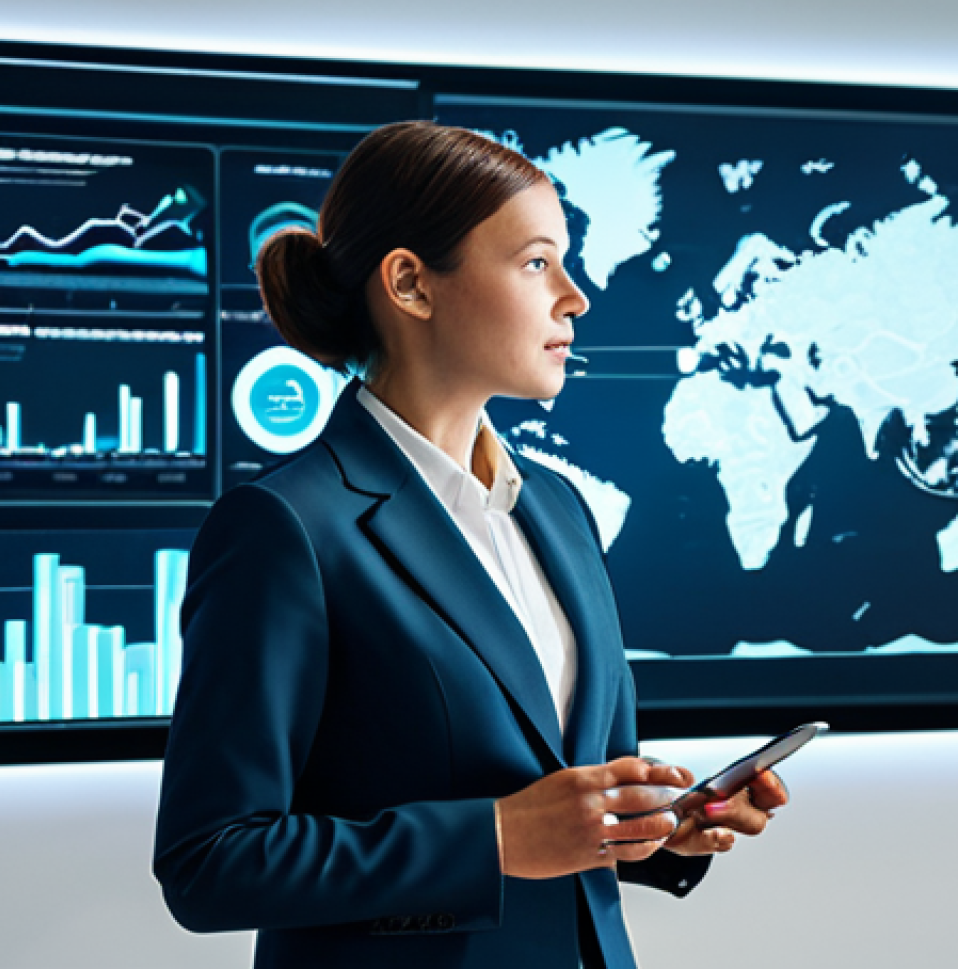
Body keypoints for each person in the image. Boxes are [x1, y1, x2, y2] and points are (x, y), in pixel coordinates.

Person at [153, 121, 788, 968]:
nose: (575, 295)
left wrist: (663, 825)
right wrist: (492, 836)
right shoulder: (285, 528)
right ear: (411, 283)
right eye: (536, 263)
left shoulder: (557, 510)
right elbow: (211, 863)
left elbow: (571, 800)